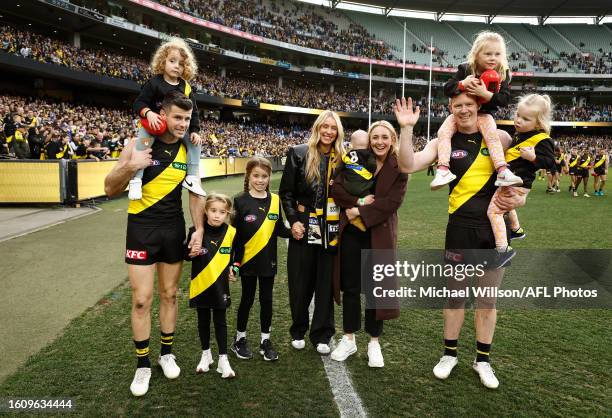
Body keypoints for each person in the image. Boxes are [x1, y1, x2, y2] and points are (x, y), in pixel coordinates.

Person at [396, 94, 515, 389]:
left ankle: (483, 360)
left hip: (494, 230)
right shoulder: (442, 142)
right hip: (460, 229)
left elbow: (530, 154)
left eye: (468, 104)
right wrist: (407, 128)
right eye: (457, 105)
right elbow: (407, 165)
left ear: (478, 106)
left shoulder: (498, 136)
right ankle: (449, 354)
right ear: (450, 108)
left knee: (487, 300)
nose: (463, 109)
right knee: (455, 297)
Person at [104, 91, 204, 397]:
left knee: (170, 294)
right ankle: (143, 365)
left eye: (187, 119)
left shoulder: (190, 148)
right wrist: (130, 165)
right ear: (162, 113)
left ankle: (166, 354)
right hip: (141, 229)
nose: (182, 124)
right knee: (141, 300)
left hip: (172, 229)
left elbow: (195, 192)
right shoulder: (138, 144)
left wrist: (198, 229)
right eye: (177, 117)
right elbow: (109, 188)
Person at [329, 121, 408, 367]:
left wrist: (359, 213)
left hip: (379, 233)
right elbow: (337, 188)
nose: (379, 142)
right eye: (375, 137)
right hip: (352, 232)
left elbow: (392, 203)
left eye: (385, 137)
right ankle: (349, 338)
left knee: (377, 289)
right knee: (351, 287)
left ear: (392, 139)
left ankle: (374, 343)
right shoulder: (356, 158)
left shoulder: (399, 166)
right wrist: (358, 201)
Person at [279, 110, 345, 355]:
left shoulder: (343, 159)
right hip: (305, 221)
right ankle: (298, 329)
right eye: (324, 126)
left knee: (325, 282)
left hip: (331, 224)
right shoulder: (298, 153)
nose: (328, 131)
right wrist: (294, 220)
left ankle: (322, 334)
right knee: (300, 280)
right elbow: (286, 193)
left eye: (333, 128)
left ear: (338, 132)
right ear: (317, 128)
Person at [432, 31, 522, 190]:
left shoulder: (503, 72)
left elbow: (505, 99)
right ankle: (443, 169)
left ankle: (502, 170)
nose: (493, 57)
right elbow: (447, 89)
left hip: (485, 115)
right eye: (488, 53)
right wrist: (462, 84)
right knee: (443, 133)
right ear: (476, 54)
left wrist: (486, 95)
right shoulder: (466, 69)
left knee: (492, 136)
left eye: (497, 54)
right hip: (462, 114)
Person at [230, 157, 291, 362]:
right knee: (246, 300)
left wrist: (295, 231)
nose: (260, 180)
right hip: (246, 261)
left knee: (267, 301)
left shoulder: (275, 200)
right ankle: (239, 339)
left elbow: (280, 228)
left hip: (268, 261)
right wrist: (234, 263)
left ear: (269, 177)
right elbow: (233, 236)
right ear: (249, 176)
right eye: (256, 176)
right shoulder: (239, 201)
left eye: (264, 176)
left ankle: (266, 341)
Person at [130, 37, 205, 200]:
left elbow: (194, 111)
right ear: (163, 61)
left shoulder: (185, 87)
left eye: (181, 64)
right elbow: (139, 103)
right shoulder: (153, 83)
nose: (177, 66)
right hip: (154, 125)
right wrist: (149, 113)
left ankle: (191, 176)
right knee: (142, 144)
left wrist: (194, 130)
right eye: (172, 61)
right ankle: (136, 179)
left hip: (176, 127)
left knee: (195, 142)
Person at [487, 94, 556, 261]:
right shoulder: (519, 134)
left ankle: (503, 249)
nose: (518, 120)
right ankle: (516, 230)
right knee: (506, 205)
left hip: (518, 182)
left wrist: (533, 158)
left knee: (494, 211)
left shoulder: (542, 139)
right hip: (510, 180)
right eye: (518, 115)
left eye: (525, 118)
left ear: (538, 123)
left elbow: (550, 163)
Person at [185, 194, 237, 379]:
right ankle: (205, 355)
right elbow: (185, 253)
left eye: (222, 212)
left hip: (220, 288)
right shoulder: (196, 230)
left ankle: (223, 359)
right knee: (203, 321)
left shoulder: (231, 232)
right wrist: (191, 252)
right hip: (200, 286)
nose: (217, 215)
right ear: (205, 211)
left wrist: (234, 269)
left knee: (221, 322)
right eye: (213, 211)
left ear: (227, 214)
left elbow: (236, 257)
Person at [335, 129, 377, 231]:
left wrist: (333, 178)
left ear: (352, 144)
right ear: (368, 144)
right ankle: (359, 218)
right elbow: (372, 166)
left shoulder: (347, 155)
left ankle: (355, 217)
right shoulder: (368, 154)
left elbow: (339, 167)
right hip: (363, 188)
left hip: (348, 186)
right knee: (370, 197)